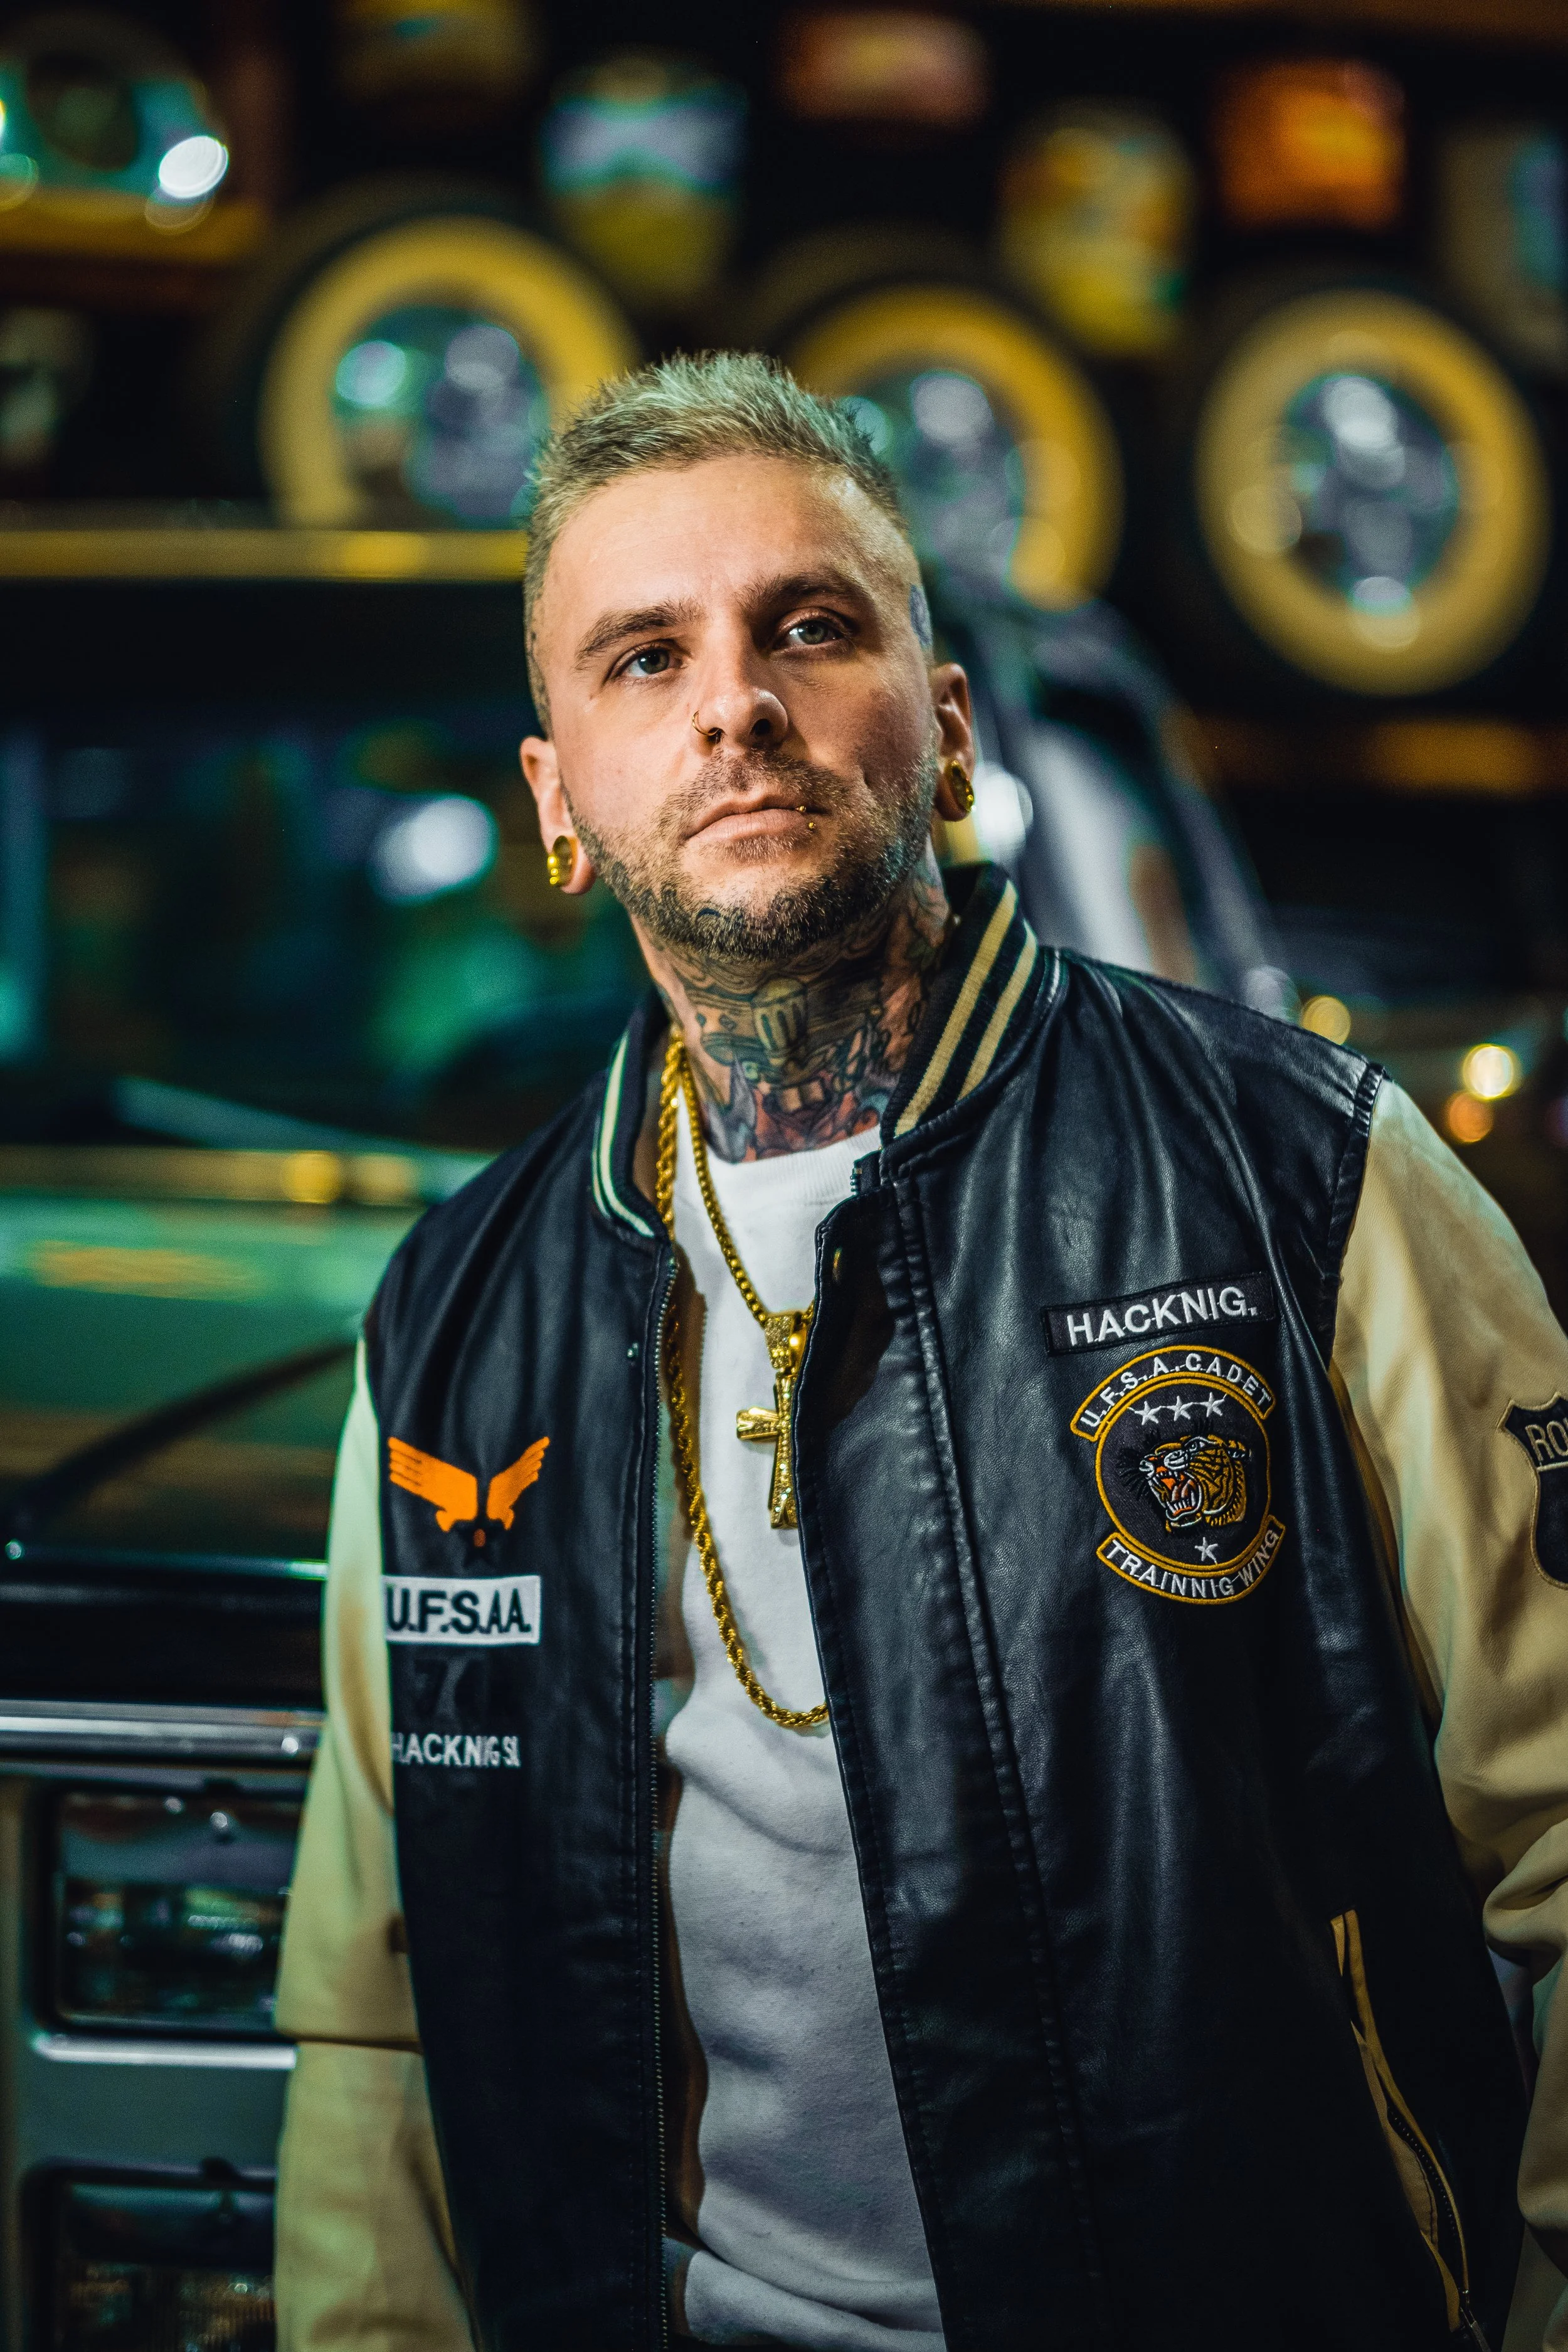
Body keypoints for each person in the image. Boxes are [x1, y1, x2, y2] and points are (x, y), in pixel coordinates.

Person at [273, 352, 1568, 2352]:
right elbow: (375, 2006)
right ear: (555, 801)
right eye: (639, 657)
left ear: (944, 731)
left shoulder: (1301, 1176)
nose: (731, 703)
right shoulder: (455, 1320)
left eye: (808, 625)